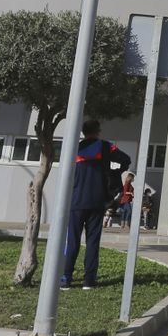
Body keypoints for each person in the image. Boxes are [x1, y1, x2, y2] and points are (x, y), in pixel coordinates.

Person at [61, 120, 124, 290]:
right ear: (98, 131)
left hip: (75, 201)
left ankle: (66, 279)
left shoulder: (73, 148)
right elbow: (126, 159)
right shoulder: (106, 147)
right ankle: (89, 281)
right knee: (92, 242)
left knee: (72, 241)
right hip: (97, 201)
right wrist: (114, 172)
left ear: (83, 131)